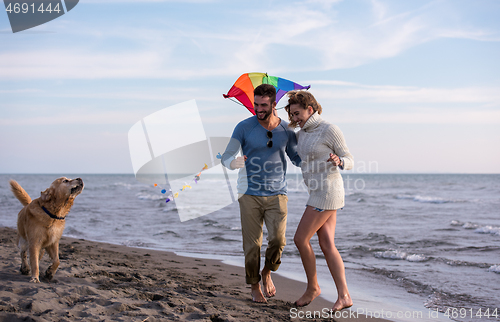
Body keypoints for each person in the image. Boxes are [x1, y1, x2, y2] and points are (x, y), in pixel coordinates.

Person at [222, 84, 301, 303]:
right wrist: (233, 162)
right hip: (249, 193)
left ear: (274, 105)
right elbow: (226, 156)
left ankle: (267, 271)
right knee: (252, 245)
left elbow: (296, 159)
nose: (258, 109)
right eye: (256, 104)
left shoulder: (287, 130)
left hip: (278, 193)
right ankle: (254, 285)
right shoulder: (243, 127)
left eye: (263, 105)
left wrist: (316, 159)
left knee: (278, 240)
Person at [284, 90, 354, 312]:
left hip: (328, 191)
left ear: (310, 109)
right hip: (316, 191)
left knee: (300, 239)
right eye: (292, 115)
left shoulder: (329, 129)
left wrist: (339, 160)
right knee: (326, 244)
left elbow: (350, 159)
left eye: (297, 113)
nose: (295, 118)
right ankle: (344, 296)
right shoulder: (301, 133)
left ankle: (313, 287)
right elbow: (298, 156)